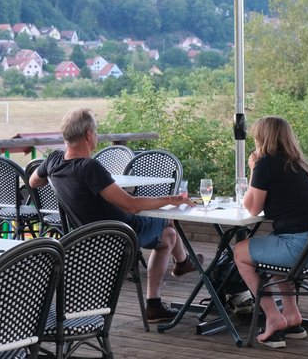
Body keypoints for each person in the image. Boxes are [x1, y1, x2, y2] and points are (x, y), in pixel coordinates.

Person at [28, 107, 200, 323]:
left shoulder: (53, 160)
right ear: (89, 134)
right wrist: (172, 199)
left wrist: (58, 183)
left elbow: (34, 181)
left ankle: (161, 296)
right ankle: (180, 266)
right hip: (119, 233)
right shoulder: (89, 167)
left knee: (167, 236)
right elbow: (131, 205)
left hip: (84, 235)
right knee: (168, 222)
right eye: (96, 133)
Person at [233, 116, 308, 349]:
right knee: (272, 247)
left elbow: (252, 207)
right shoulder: (301, 164)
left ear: (263, 138)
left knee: (240, 252)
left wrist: (253, 170)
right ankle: (292, 314)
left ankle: (273, 317)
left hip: (303, 249)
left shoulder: (267, 164)